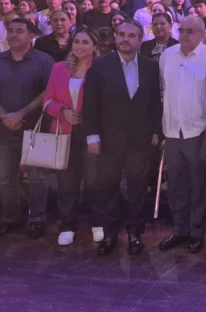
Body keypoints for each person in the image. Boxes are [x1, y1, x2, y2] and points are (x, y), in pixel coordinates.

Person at [83, 20, 164, 256]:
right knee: (107, 187)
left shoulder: (150, 67)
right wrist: (92, 136)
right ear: (116, 37)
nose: (125, 39)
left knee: (138, 188)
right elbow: (90, 104)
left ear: (140, 40)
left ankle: (135, 233)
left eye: (131, 35)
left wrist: (156, 130)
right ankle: (110, 233)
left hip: (140, 139)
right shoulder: (99, 65)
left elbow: (154, 103)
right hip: (107, 139)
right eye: (122, 35)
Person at [0, 18, 54, 240]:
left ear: (31, 35)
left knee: (37, 177)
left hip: (37, 127)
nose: (13, 35)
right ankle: (10, 218)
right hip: (1, 128)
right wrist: (5, 116)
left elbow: (47, 93)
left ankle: (37, 219)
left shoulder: (44, 60)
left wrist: (20, 114)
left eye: (19, 31)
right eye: (10, 31)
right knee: (4, 177)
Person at [154, 17, 206, 253]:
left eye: (191, 31)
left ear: (202, 34)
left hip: (199, 130)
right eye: (182, 30)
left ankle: (197, 232)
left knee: (199, 185)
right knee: (176, 185)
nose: (185, 35)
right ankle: (179, 229)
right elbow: (163, 91)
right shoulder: (166, 56)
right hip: (171, 131)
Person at [40, 27, 102, 246]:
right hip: (63, 130)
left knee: (94, 180)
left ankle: (98, 222)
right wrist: (63, 111)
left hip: (92, 133)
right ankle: (67, 225)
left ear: (94, 46)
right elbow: (47, 100)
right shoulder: (58, 68)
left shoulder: (101, 68)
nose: (80, 46)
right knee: (66, 181)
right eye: (77, 41)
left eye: (85, 42)